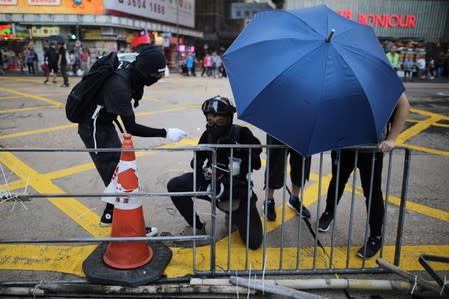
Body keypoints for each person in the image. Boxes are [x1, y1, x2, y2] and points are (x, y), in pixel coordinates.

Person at [77, 45, 187, 234]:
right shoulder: (120, 87)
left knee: (118, 172)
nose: (156, 79)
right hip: (94, 128)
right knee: (121, 180)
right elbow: (132, 127)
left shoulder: (131, 71)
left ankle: (109, 215)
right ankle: (132, 229)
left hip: (104, 124)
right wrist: (165, 133)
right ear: (146, 72)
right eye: (156, 76)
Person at [318, 93, 410, 259]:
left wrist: (392, 138)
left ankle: (376, 236)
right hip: (343, 146)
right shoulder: (338, 71)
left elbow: (403, 104)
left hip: (371, 149)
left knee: (372, 192)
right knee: (337, 182)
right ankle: (328, 212)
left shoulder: (379, 71)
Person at [166, 96, 263, 249]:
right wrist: (197, 162)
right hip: (211, 184)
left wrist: (238, 148)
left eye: (219, 120)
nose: (214, 124)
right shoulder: (208, 134)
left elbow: (257, 163)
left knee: (254, 242)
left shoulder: (242, 133)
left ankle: (233, 215)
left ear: (229, 118)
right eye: (210, 120)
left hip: (236, 190)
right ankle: (197, 228)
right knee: (175, 184)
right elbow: (198, 156)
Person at [264, 135, 311, 221]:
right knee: (275, 164)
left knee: (301, 165)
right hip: (279, 126)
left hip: (302, 128)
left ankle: (294, 199)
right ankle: (268, 200)